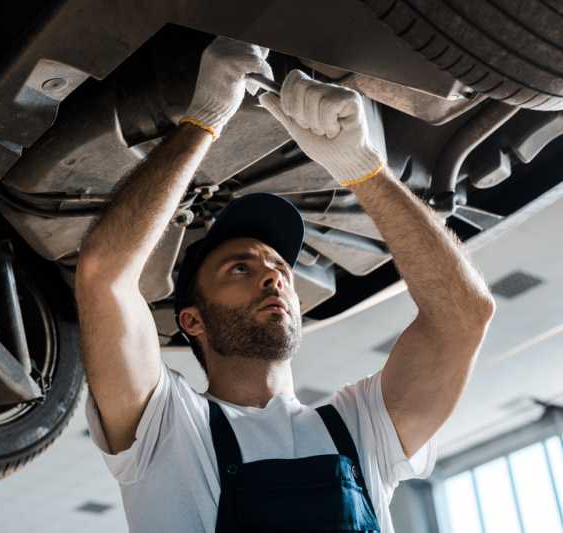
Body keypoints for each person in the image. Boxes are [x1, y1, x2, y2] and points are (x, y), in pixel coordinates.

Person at [75, 37, 495, 533]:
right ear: (192, 320)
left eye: (279, 267)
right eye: (239, 268)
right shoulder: (167, 427)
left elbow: (463, 315)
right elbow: (105, 275)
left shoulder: (360, 429)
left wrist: (366, 171)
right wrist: (204, 119)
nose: (273, 275)